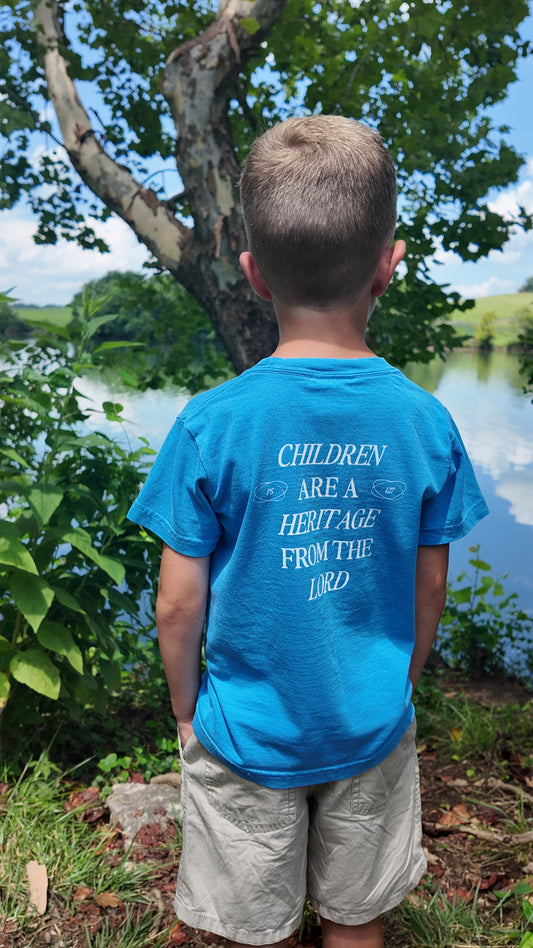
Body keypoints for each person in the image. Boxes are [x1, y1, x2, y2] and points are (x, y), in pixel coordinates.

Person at [128, 115, 488, 948]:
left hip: (242, 732)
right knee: (357, 919)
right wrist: (399, 683)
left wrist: (186, 712)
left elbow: (176, 605)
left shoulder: (210, 424)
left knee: (245, 928)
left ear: (253, 273)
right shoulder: (425, 422)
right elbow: (429, 585)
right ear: (388, 265)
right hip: (370, 725)